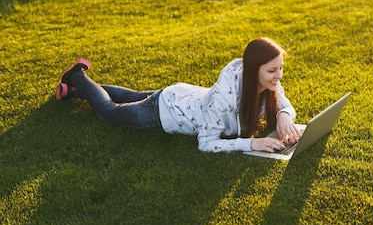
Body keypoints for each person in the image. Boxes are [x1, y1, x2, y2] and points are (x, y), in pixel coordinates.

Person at [55, 37, 302, 153]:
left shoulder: (268, 86)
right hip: (166, 111)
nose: (279, 75)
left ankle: (77, 91)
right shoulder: (224, 98)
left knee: (131, 95)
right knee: (112, 111)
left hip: (183, 95)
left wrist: (283, 115)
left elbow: (285, 104)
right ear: (252, 71)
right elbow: (206, 143)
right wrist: (252, 143)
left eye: (280, 68)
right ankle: (77, 77)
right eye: (272, 70)